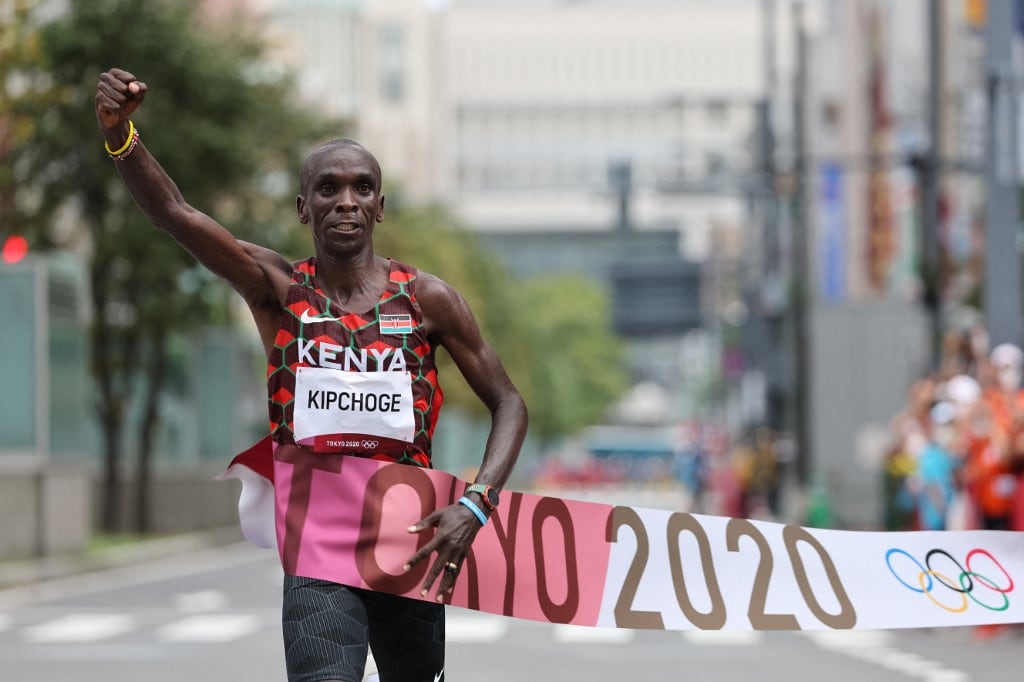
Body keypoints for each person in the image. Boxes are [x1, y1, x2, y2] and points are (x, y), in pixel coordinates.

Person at [95, 68, 527, 682]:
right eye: (328, 188)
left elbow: (509, 403)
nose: (346, 201)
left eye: (362, 188)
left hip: (411, 538)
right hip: (319, 544)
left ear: (380, 207)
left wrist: (477, 504)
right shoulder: (277, 289)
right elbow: (175, 214)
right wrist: (120, 134)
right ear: (304, 208)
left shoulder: (427, 299)